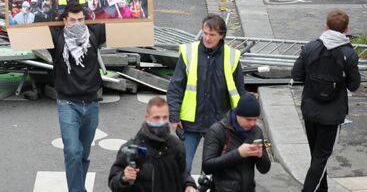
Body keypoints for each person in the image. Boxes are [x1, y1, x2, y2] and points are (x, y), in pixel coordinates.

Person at [292, 9, 361, 192]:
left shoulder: (310, 47)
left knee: (316, 157)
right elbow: (354, 85)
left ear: (326, 26)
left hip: (310, 110)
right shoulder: (349, 53)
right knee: (321, 158)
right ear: (346, 29)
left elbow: (296, 74)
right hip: (332, 115)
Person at [166, 14, 245, 173]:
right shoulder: (189, 52)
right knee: (183, 168)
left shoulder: (232, 56)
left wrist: (240, 121)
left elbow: (239, 92)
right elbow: (176, 87)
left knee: (214, 171)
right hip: (191, 123)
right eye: (205, 33)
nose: (207, 38)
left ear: (221, 35)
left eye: (212, 35)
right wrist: (174, 116)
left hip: (220, 124)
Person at [49, 2, 106, 192]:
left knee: (83, 153)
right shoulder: (57, 38)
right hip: (67, 103)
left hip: (91, 104)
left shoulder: (94, 34)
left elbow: (129, 20)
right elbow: (22, 28)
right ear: (64, 21)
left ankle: (78, 187)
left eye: (81, 20)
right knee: (73, 152)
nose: (77, 24)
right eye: (72, 20)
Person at [108, 96, 197, 192]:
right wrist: (124, 178)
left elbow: (182, 173)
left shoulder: (176, 145)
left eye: (165, 117)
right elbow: (113, 182)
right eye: (156, 118)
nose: (161, 122)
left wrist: (189, 185)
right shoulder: (131, 149)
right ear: (147, 117)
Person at [202, 93, 271, 192]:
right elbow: (207, 166)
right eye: (248, 119)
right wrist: (239, 153)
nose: (252, 123)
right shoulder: (217, 131)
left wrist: (261, 156)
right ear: (238, 115)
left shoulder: (256, 132)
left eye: (255, 119)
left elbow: (264, 169)